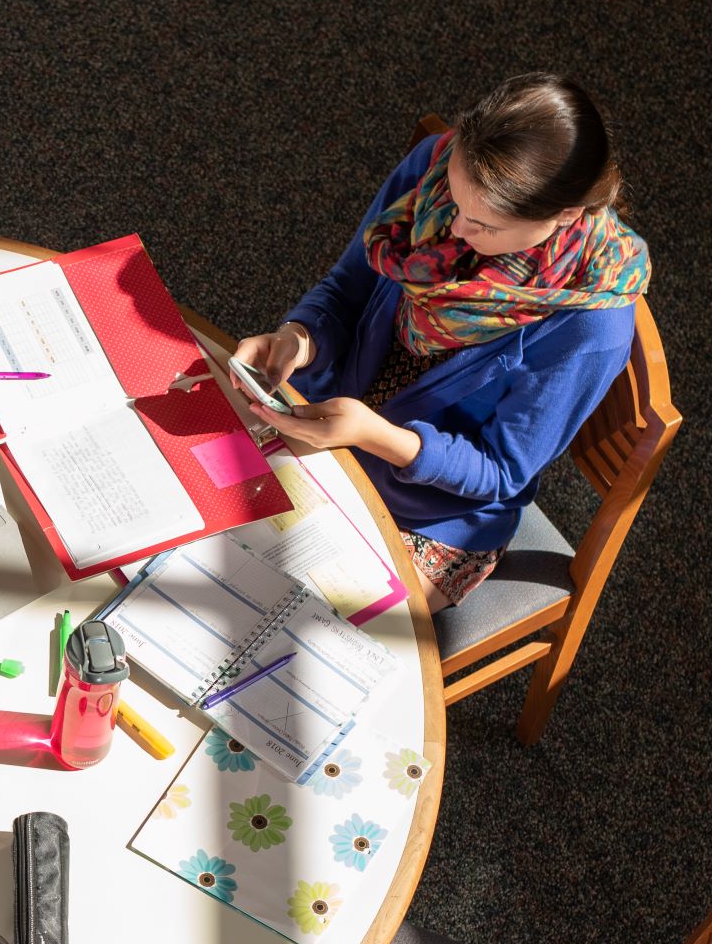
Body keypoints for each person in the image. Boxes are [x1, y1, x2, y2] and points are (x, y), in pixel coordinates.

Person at [233, 73, 651, 610]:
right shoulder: (436, 165)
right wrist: (300, 337)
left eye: (483, 225)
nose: (451, 230)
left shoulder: (590, 326)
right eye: (452, 199)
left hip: (431, 509)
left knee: (288, 617)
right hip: (327, 413)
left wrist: (375, 436)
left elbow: (500, 471)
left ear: (565, 215)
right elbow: (348, 287)